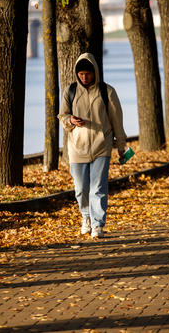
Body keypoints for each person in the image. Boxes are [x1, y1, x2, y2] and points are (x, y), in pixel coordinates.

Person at [58, 52, 127, 238]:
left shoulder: (107, 91)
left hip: (101, 146)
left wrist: (121, 146)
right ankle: (86, 217)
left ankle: (97, 225)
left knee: (98, 187)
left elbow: (117, 121)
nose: (84, 77)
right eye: (81, 75)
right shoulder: (69, 91)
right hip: (77, 148)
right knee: (81, 189)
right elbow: (62, 117)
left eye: (88, 74)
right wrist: (70, 120)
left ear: (95, 72)